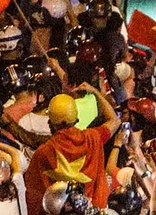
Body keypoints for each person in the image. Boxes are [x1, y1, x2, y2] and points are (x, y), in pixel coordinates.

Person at [24, 87, 121, 215]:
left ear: (50, 123)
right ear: (76, 120)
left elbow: (33, 195)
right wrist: (95, 92)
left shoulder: (42, 153)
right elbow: (115, 120)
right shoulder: (93, 138)